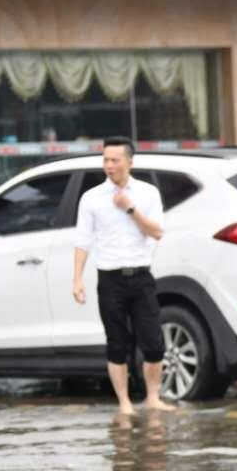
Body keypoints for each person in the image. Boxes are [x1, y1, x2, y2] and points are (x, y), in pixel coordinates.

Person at [72, 137, 171, 415]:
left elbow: (157, 232)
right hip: (110, 279)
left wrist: (130, 208)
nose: (109, 165)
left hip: (141, 276)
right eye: (105, 160)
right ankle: (125, 403)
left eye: (114, 160)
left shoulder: (148, 193)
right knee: (117, 343)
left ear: (130, 162)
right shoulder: (91, 198)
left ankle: (153, 397)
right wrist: (77, 279)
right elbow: (82, 241)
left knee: (153, 343)